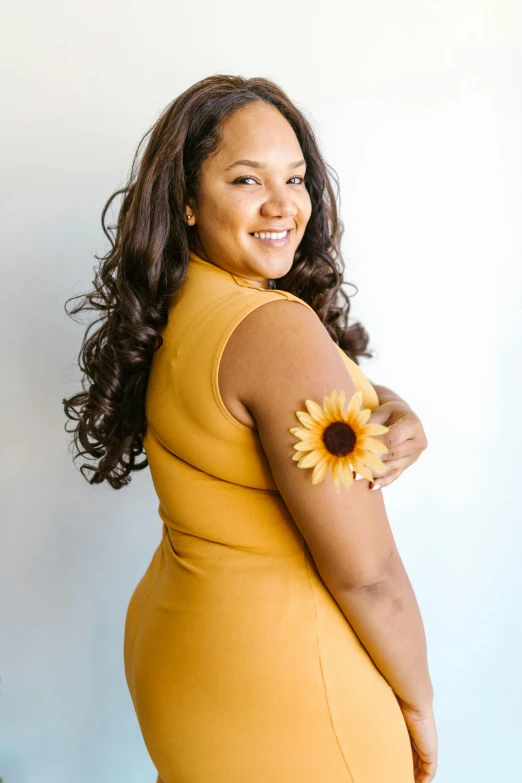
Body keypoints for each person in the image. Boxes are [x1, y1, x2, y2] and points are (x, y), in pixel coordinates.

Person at [63, 75, 438, 782]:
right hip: (284, 682)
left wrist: (386, 402)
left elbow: (257, 400)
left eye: (295, 178)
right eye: (246, 179)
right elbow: (369, 575)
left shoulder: (178, 305)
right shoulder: (274, 327)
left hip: (185, 654)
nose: (282, 205)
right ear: (187, 199)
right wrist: (417, 701)